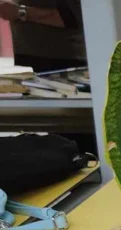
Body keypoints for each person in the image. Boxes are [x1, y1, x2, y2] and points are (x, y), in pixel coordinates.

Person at [1, 0, 94, 155]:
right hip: (36, 60)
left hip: (63, 63)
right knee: (58, 134)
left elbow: (70, 16)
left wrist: (20, 12)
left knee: (76, 137)